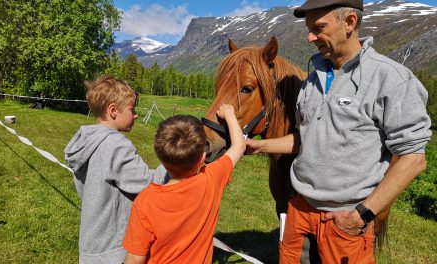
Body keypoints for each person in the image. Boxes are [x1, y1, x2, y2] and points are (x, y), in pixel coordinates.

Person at [246, 0, 432, 263]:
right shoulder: (312, 81)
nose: (310, 37)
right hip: (299, 209)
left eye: (319, 28)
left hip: (345, 218)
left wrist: (362, 215)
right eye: (309, 29)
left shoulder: (390, 78)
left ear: (349, 23)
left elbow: (414, 158)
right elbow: (305, 138)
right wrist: (261, 146)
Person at [122, 104, 246, 263]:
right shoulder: (211, 179)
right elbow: (239, 146)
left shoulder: (146, 203)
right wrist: (229, 114)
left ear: (161, 159)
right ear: (202, 157)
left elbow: (134, 258)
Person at [64, 75, 168, 263]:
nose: (135, 114)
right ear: (113, 110)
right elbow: (149, 184)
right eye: (132, 109)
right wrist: (173, 162)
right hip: (114, 249)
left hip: (92, 245)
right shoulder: (115, 145)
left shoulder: (86, 142)